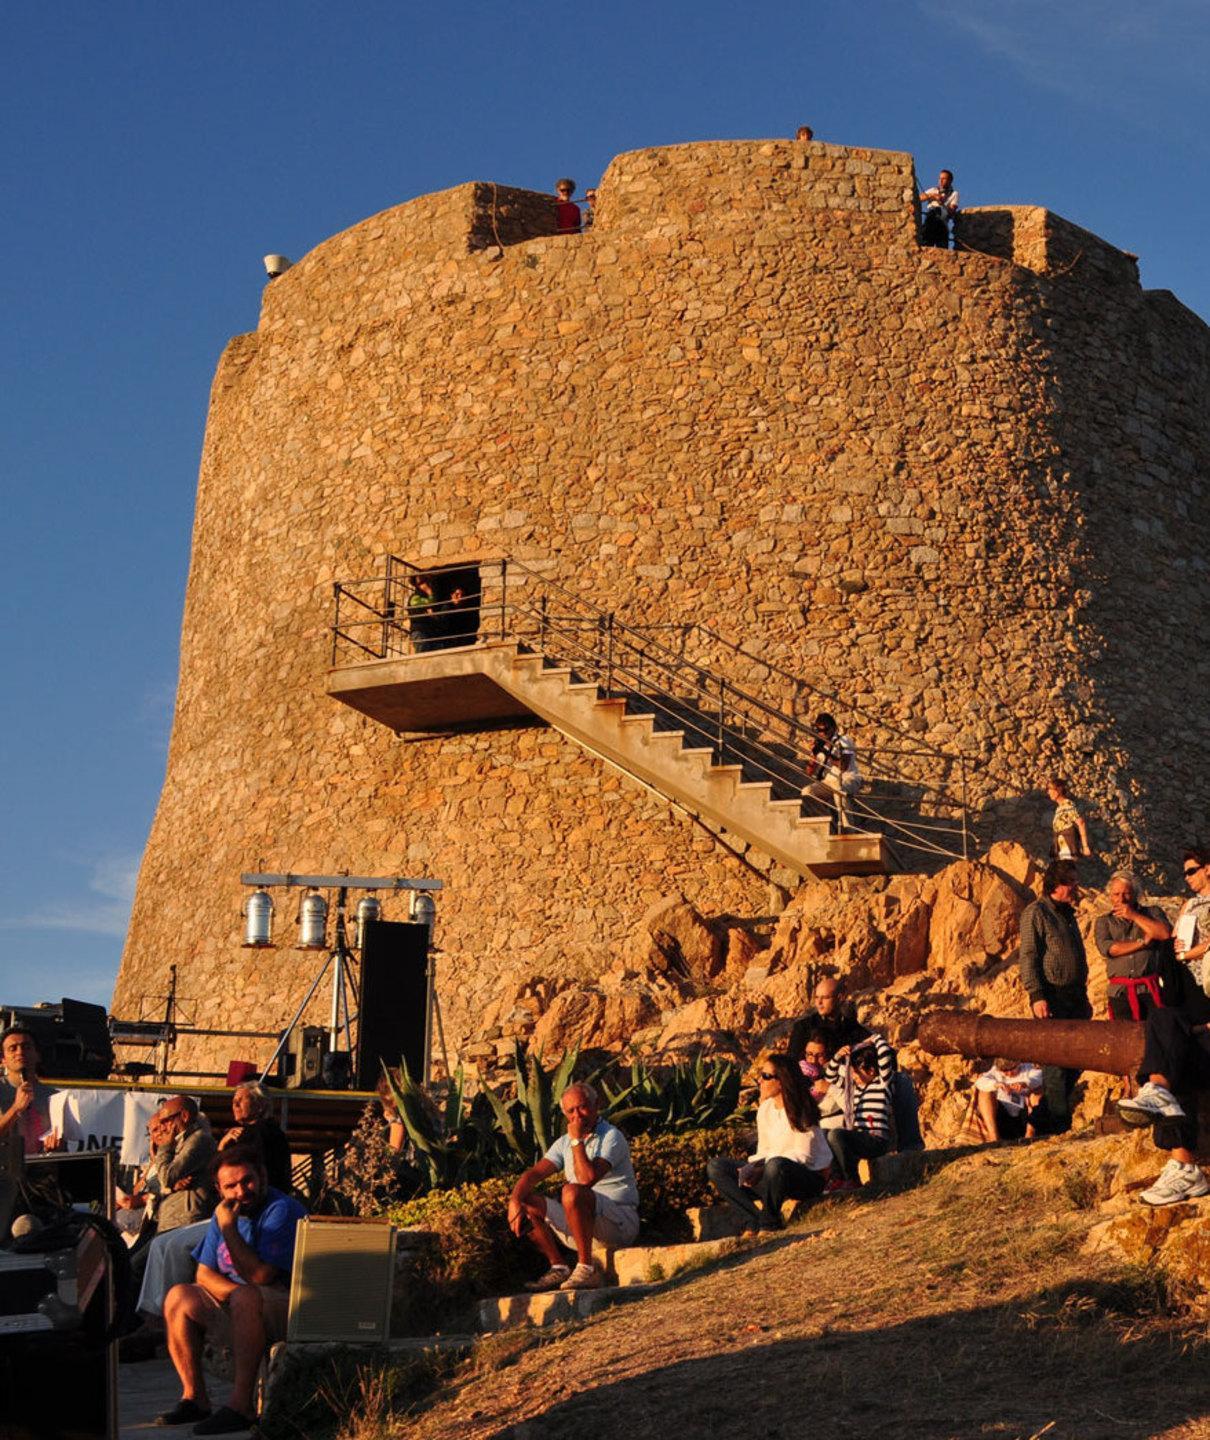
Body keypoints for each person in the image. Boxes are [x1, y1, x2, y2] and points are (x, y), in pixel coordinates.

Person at [159, 1147, 306, 1433]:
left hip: (287, 1305)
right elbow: (203, 1274)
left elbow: (261, 1275)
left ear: (262, 1175)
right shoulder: (224, 1211)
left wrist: (229, 1230)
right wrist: (233, 1295)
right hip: (242, 1302)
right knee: (179, 1296)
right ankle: (195, 1398)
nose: (241, 1191)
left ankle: (241, 1407)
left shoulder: (280, 1210)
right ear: (219, 1188)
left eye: (247, 1181)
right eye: (231, 1186)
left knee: (247, 1295)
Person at [507, 1082, 639, 1292]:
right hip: (582, 1225)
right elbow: (534, 1174)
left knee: (572, 1191)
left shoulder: (611, 1137)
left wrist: (577, 1141)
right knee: (527, 1200)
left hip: (618, 1224)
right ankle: (558, 1266)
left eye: (583, 1107)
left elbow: (586, 1179)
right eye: (571, 1111)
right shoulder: (563, 1143)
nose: (578, 1115)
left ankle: (586, 1268)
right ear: (564, 1115)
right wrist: (514, 1200)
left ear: (597, 1105)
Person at [707, 1054, 831, 1231]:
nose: (760, 1081)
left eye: (766, 1076)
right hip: (773, 1174)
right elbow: (764, 1149)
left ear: (782, 1081)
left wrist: (764, 1167)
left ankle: (770, 1223)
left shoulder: (801, 1109)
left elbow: (803, 1155)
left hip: (806, 1178)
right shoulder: (765, 1109)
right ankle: (752, 1221)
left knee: (776, 1165)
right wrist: (753, 1168)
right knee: (717, 1167)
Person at [1018, 859, 1092, 1132]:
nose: (1075, 887)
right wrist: (1037, 994)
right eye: (1070, 881)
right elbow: (1028, 956)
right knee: (1055, 1063)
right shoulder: (1036, 913)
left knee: (1079, 1057)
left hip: (1075, 997)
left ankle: (1041, 1116)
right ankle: (1057, 1123)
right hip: (1052, 996)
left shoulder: (1067, 914)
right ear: (1055, 884)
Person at [1117, 1006, 1210, 1205]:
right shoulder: (1178, 975)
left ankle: (1185, 1170)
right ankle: (1158, 1091)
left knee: (1176, 1054)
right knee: (1164, 1020)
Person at [1094, 872, 1174, 1021]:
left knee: (1154, 1036)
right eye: (1116, 894)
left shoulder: (1152, 912)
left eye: (1126, 894)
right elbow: (1111, 949)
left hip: (1150, 990)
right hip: (1120, 992)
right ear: (1110, 896)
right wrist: (1142, 943)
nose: (1121, 899)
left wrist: (1133, 916)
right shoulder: (1104, 922)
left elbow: (1164, 933)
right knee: (1123, 1038)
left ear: (1135, 894)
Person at [824, 1045, 895, 1188]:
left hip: (876, 1140)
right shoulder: (855, 1088)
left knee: (836, 1135)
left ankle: (852, 1178)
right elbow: (829, 1076)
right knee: (825, 1133)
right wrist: (838, 1055)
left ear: (871, 1070)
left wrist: (869, 1041)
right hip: (860, 1137)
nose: (853, 1077)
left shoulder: (882, 1084)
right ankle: (837, 1178)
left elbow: (885, 1053)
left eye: (856, 1073)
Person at [0, 1025, 63, 1155]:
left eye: (26, 1047)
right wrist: (16, 1108)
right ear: (3, 1061)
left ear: (37, 1055)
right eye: (12, 1048)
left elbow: (64, 1144)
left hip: (41, 1171)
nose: (20, 1052)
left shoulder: (54, 1097)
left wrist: (53, 1149)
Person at [218, 1083, 291, 1192]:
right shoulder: (273, 1131)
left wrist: (222, 1147)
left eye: (241, 1100)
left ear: (260, 1105)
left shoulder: (257, 1133)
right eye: (234, 1101)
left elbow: (231, 1169)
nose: (235, 1104)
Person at [802, 713, 862, 833]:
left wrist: (827, 751)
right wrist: (813, 754)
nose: (822, 733)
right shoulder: (819, 745)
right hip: (829, 781)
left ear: (833, 728)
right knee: (807, 792)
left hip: (848, 778)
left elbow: (843, 766)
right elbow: (808, 772)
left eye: (825, 730)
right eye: (819, 730)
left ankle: (849, 830)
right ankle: (828, 823)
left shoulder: (843, 740)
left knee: (838, 790)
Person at [974, 1059, 1043, 1142]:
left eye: (1012, 1069)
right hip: (1003, 1118)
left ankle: (1029, 1135)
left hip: (1025, 1116)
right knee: (984, 1093)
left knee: (1037, 1091)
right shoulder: (995, 1072)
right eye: (1005, 1071)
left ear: (1018, 1063)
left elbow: (1038, 1078)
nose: (1009, 1074)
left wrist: (1025, 1084)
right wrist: (996, 1085)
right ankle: (994, 1138)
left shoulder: (1028, 1068)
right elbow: (980, 1082)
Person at [1173, 847, 1210, 984]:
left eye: (1191, 871)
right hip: (1189, 980)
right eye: (1185, 874)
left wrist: (1185, 955)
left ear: (1207, 869)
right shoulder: (1189, 904)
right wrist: (1176, 944)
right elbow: (1174, 937)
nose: (1187, 878)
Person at [1045, 777, 1091, 862]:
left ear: (1058, 790)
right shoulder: (1059, 808)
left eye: (1050, 789)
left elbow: (1081, 822)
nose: (1048, 792)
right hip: (1061, 846)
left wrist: (1085, 846)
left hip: (1067, 844)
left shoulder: (1067, 804)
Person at [919, 169, 959, 248]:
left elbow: (952, 211)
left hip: (942, 222)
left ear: (950, 181)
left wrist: (943, 204)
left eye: (944, 179)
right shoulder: (933, 190)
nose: (940, 181)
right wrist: (932, 196)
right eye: (939, 178)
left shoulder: (954, 194)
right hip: (931, 219)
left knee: (941, 247)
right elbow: (919, 198)